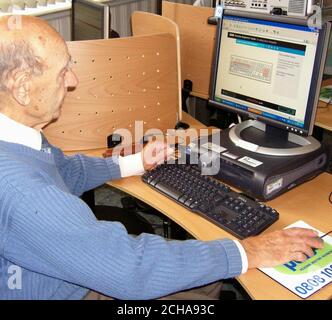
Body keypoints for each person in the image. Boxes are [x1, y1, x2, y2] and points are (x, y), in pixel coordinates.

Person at [0, 15, 323, 300]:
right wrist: (250, 250)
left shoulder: (16, 136)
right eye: (62, 72)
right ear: (23, 89)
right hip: (64, 290)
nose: (73, 81)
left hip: (58, 272)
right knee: (203, 286)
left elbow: (64, 170)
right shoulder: (23, 192)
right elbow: (131, 270)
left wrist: (135, 162)